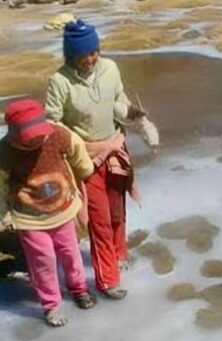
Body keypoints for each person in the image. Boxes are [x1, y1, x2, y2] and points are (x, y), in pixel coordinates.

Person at [45, 19, 146, 299]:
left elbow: (118, 101)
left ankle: (118, 253)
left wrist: (134, 115)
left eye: (94, 52)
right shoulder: (60, 81)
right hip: (84, 159)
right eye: (83, 54)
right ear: (70, 54)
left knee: (117, 211)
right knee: (98, 219)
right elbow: (53, 122)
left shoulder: (110, 68)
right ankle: (108, 280)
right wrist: (82, 146)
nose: (91, 59)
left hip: (116, 149)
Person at [0, 99, 97, 327]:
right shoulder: (4, 151)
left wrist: (85, 169)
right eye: (29, 139)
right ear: (14, 136)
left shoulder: (59, 134)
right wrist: (4, 215)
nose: (36, 141)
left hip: (62, 209)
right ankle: (51, 304)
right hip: (29, 217)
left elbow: (76, 149)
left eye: (38, 135)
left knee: (70, 252)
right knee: (43, 260)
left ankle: (79, 288)